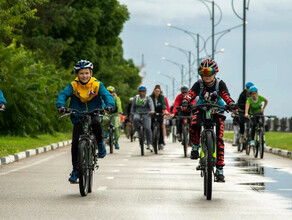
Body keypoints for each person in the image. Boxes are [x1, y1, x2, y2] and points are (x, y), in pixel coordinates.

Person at [56, 60, 115, 183]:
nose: (84, 76)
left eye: (87, 73)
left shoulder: (97, 84)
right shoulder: (73, 85)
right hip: (78, 113)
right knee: (75, 143)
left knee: (96, 123)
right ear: (77, 75)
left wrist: (109, 105)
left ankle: (100, 145)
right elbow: (63, 95)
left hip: (95, 110)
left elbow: (107, 96)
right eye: (81, 73)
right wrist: (61, 105)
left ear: (91, 73)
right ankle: (76, 170)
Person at [182, 59, 236, 182]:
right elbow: (190, 94)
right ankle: (195, 146)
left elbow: (226, 95)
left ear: (215, 73)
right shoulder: (199, 84)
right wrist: (186, 101)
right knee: (194, 124)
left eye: (209, 72)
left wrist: (231, 104)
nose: (206, 76)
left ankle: (220, 169)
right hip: (201, 108)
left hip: (217, 110)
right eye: (203, 72)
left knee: (220, 139)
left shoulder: (219, 84)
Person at [131, 85, 155, 150]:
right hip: (137, 113)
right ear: (139, 92)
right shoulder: (136, 98)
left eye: (143, 91)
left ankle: (149, 143)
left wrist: (152, 110)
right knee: (136, 118)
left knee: (148, 128)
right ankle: (136, 131)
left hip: (146, 114)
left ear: (145, 92)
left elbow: (151, 105)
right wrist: (132, 113)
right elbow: (133, 107)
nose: (142, 93)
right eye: (140, 91)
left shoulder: (148, 98)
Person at [150, 85, 169, 150]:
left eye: (158, 91)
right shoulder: (150, 97)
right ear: (154, 91)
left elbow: (163, 104)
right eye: (156, 91)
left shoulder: (161, 97)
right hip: (152, 113)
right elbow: (149, 104)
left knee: (161, 127)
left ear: (160, 92)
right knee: (151, 127)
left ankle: (161, 142)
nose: (157, 92)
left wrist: (165, 111)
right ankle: (150, 140)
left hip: (160, 113)